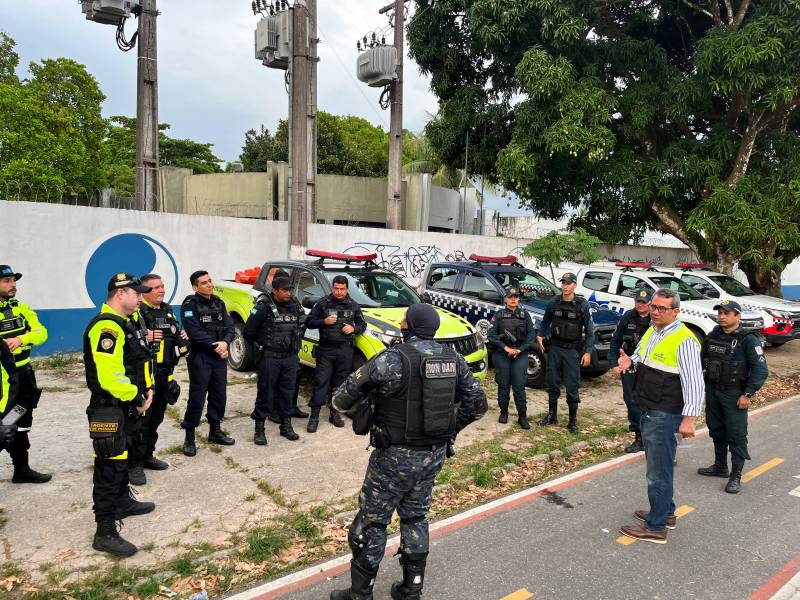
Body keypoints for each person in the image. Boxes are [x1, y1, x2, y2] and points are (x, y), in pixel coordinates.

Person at [329, 303, 487, 600]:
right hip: (433, 455)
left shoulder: (392, 359)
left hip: (393, 457)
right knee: (415, 518)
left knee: (373, 521)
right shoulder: (453, 359)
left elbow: (341, 399)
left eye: (404, 319)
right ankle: (411, 588)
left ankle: (360, 595)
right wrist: (450, 429)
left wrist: (366, 416)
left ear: (408, 326)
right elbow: (478, 404)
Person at [616, 288, 704, 544]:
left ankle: (655, 527)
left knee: (658, 471)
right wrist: (629, 363)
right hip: (649, 406)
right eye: (653, 307)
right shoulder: (653, 331)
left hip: (665, 413)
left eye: (661, 308)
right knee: (660, 467)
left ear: (676, 311)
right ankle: (665, 512)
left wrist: (690, 419)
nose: (654, 312)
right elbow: (642, 356)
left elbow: (695, 383)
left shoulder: (684, 339)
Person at [83, 273, 156, 556]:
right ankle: (104, 531)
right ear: (120, 293)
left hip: (124, 407)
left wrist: (146, 390)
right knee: (108, 469)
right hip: (109, 408)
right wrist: (136, 396)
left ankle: (123, 502)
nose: (140, 298)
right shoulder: (106, 328)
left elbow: (136, 363)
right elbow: (110, 376)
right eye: (136, 293)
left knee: (122, 460)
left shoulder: (125, 324)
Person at [697, 299, 768, 494]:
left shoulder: (748, 339)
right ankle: (720, 466)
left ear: (738, 316)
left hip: (734, 394)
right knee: (716, 428)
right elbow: (701, 359)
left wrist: (748, 394)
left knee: (736, 434)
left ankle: (735, 476)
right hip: (712, 391)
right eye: (719, 313)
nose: (721, 316)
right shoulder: (713, 335)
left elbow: (761, 370)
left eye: (726, 313)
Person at [131, 273, 189, 483]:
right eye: (156, 287)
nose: (161, 290)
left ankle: (147, 456)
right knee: (141, 423)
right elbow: (128, 344)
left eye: (162, 286)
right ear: (145, 292)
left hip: (165, 375)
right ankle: (134, 465)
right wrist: (143, 337)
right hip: (146, 376)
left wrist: (182, 338)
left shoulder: (167, 310)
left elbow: (173, 337)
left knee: (156, 419)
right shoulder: (137, 313)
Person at [0, 264, 51, 483]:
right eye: (7, 281)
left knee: (19, 419)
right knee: (2, 424)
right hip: (2, 380)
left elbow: (41, 333)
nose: (13, 285)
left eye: (14, 281)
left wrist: (21, 339)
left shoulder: (20, 308)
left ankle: (21, 469)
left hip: (23, 377)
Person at [243, 274, 305, 444]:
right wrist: (262, 346)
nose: (288, 293)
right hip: (270, 357)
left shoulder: (294, 304)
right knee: (266, 393)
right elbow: (248, 332)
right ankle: (259, 429)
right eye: (285, 290)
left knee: (287, 393)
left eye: (290, 290)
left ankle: (286, 426)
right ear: (275, 290)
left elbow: (302, 323)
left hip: (290, 357)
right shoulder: (263, 306)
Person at [180, 270, 236, 456]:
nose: (209, 285)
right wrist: (215, 346)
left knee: (219, 395)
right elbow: (194, 332)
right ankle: (189, 436)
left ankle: (215, 431)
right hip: (201, 357)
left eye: (210, 281)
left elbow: (229, 326)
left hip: (218, 357)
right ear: (195, 287)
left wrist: (225, 342)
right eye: (204, 283)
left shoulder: (218, 302)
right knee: (197, 397)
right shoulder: (189, 304)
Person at [305, 275, 367, 433]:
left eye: (342, 289)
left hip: (344, 350)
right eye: (336, 289)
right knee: (321, 382)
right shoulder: (323, 303)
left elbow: (362, 324)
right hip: (326, 349)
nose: (339, 292)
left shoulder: (353, 305)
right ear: (332, 288)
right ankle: (314, 416)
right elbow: (309, 321)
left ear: (347, 289)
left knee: (339, 385)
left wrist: (354, 329)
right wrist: (323, 322)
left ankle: (334, 413)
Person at [536, 272, 594, 434]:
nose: (565, 286)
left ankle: (572, 421)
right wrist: (540, 336)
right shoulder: (553, 303)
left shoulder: (582, 305)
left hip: (572, 352)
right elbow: (545, 321)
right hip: (554, 349)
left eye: (568, 283)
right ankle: (552, 415)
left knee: (572, 386)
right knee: (552, 382)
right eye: (563, 283)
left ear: (575, 285)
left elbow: (590, 331)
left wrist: (588, 352)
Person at [486, 286, 537, 429]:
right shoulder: (499, 315)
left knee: (519, 386)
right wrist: (506, 348)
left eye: (516, 297)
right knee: (503, 385)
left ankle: (522, 417)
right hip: (503, 354)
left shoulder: (524, 315)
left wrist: (519, 350)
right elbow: (490, 336)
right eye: (510, 297)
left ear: (519, 299)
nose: (513, 299)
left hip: (520, 353)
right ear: (505, 299)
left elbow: (531, 335)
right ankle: (503, 413)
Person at [609, 289, 652, 453]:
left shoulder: (655, 319)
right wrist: (613, 363)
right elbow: (616, 341)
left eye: (644, 302)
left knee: (649, 402)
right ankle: (638, 437)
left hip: (648, 368)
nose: (640, 305)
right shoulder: (628, 316)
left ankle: (651, 437)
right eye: (638, 302)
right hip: (627, 366)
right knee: (630, 400)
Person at [1, 340, 20, 452]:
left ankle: (21, 466)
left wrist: (22, 339)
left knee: (19, 422)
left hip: (23, 376)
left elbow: (9, 379)